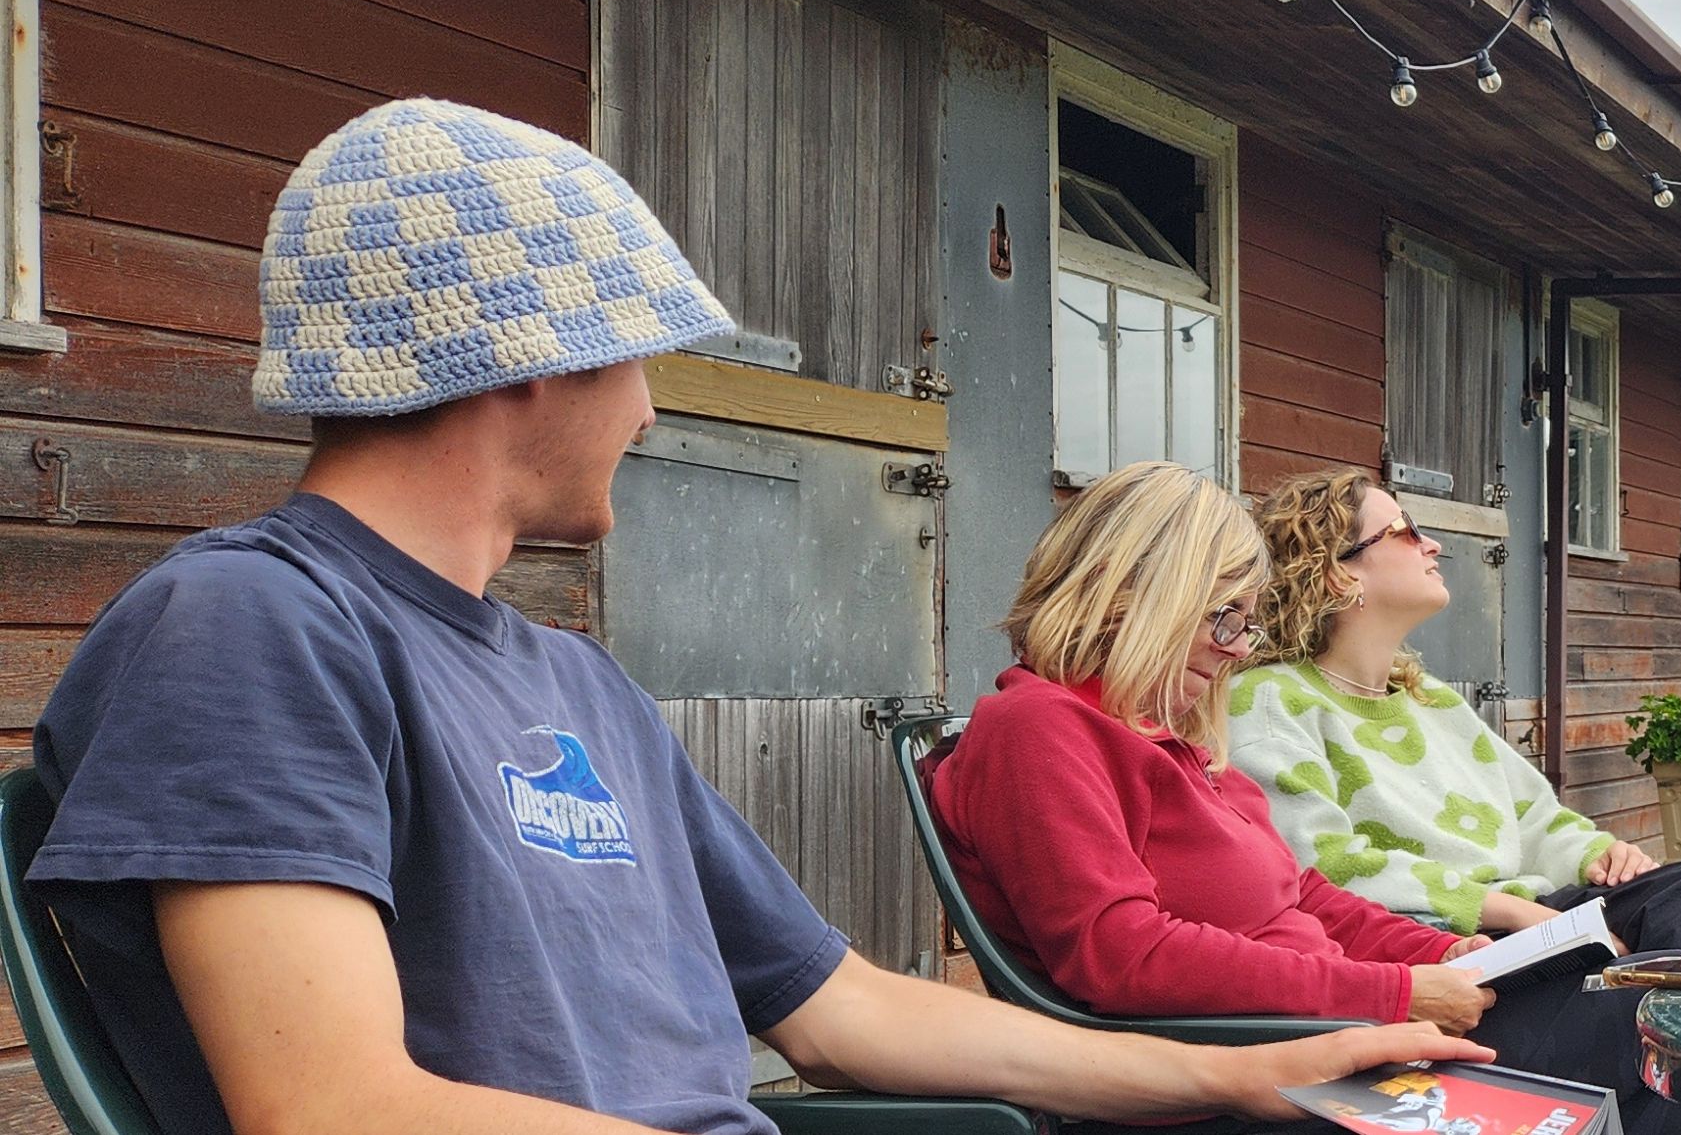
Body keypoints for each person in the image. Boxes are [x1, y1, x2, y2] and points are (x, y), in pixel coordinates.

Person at [23, 98, 1486, 1135]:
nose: (652, 407)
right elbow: (337, 1109)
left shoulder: (573, 685)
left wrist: (1239, 1074)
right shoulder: (249, 628)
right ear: (526, 357)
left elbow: (843, 1009)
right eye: (636, 356)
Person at [931, 461, 1681, 1135]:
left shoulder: (1163, 739)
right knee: (1675, 1032)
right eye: (1221, 617)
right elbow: (1121, 954)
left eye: (1245, 623)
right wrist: (1397, 991)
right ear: (1129, 591)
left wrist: (1435, 951)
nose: (1236, 647)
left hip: (1347, 1028)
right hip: (1279, 1075)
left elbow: (1305, 892)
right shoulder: (1037, 727)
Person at [1223, 468, 1681, 954]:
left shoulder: (1430, 700)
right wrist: (1511, 912)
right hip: (1441, 943)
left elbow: (1533, 818)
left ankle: (1680, 1054)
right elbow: (1321, 866)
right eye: (1407, 531)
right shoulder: (1270, 702)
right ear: (1342, 574)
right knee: (1660, 983)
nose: (1432, 544)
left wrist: (1597, 855)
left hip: (1533, 918)